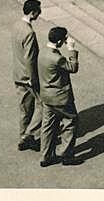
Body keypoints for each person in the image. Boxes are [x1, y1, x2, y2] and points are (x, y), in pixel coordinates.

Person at [38, 26, 82, 167]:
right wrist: (71, 49)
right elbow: (73, 68)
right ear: (58, 42)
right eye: (63, 40)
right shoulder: (57, 58)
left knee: (48, 126)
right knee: (70, 122)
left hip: (46, 96)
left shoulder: (42, 53)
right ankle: (66, 155)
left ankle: (46, 156)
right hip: (61, 98)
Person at [13, 0, 42, 152]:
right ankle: (29, 136)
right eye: (38, 12)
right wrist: (33, 79)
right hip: (28, 76)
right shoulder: (29, 32)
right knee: (43, 104)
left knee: (25, 108)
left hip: (17, 74)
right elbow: (30, 58)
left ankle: (22, 136)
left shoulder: (17, 25)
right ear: (33, 13)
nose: (39, 15)